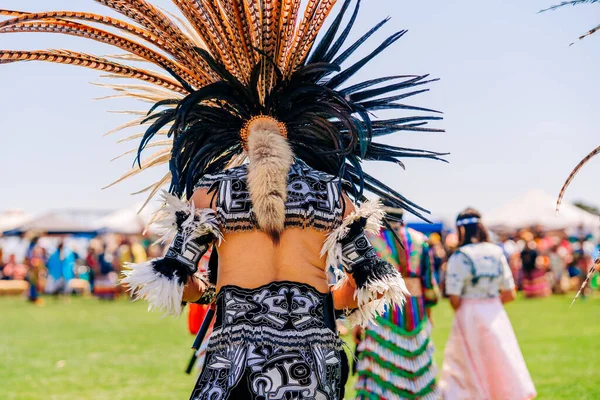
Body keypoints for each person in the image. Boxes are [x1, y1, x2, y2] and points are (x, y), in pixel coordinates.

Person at [2, 1, 445, 399]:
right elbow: (373, 284)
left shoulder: (211, 191)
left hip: (234, 364)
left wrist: (223, 292)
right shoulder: (336, 194)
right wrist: (314, 302)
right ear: (298, 134)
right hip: (314, 362)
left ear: (239, 139)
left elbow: (177, 281)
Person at [439, 208, 536, 400]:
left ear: (461, 230)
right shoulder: (496, 252)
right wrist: (490, 304)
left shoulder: (460, 256)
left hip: (469, 314)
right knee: (499, 358)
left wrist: (471, 305)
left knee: (469, 361)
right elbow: (510, 293)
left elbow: (454, 298)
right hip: (495, 311)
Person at [354, 203, 440, 399]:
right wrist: (428, 313)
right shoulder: (420, 240)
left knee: (381, 367)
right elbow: (428, 284)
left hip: (382, 313)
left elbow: (363, 285)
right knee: (416, 365)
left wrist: (359, 321)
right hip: (415, 313)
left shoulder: (369, 240)